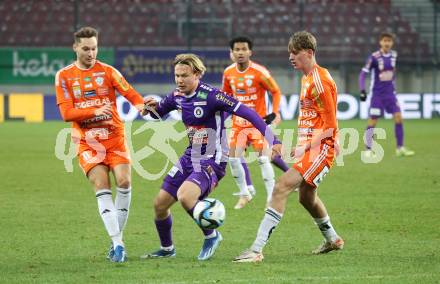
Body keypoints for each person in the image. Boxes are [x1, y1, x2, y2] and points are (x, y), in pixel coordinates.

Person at [139, 53, 281, 261]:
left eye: (184, 75)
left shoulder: (213, 96)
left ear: (196, 74)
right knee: (160, 205)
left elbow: (249, 113)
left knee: (186, 196)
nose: (179, 80)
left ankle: (212, 235)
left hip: (213, 158)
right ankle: (167, 249)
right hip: (191, 154)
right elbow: (158, 113)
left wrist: (273, 138)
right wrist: (149, 108)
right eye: (176, 75)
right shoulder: (177, 96)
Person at [233, 31, 344, 263]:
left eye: (295, 53)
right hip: (314, 147)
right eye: (289, 53)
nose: (291, 57)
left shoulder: (320, 81)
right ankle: (333, 239)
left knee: (281, 187)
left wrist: (305, 148)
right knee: (306, 197)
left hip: (321, 149)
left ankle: (256, 249)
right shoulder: (307, 78)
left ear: (309, 53)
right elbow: (320, 118)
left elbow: (331, 126)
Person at [55, 27, 145, 262]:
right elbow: (66, 113)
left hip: (115, 138)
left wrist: (144, 106)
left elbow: (132, 94)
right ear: (75, 47)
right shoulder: (64, 76)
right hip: (88, 142)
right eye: (86, 48)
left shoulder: (108, 71)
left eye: (94, 48)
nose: (91, 53)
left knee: (124, 181)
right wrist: (95, 110)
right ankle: (118, 245)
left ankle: (118, 239)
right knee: (102, 185)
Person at [223, 36, 289, 209]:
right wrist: (222, 117)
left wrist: (274, 112)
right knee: (234, 159)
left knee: (264, 160)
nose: (240, 53)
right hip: (238, 123)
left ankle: (270, 199)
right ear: (232, 53)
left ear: (250, 52)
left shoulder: (260, 72)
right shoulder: (228, 73)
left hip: (258, 123)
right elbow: (226, 96)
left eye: (244, 49)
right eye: (237, 49)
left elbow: (275, 91)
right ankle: (245, 193)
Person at [359, 32, 415, 157]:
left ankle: (400, 148)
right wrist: (362, 90)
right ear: (380, 42)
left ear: (392, 43)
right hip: (377, 95)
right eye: (384, 41)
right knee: (373, 121)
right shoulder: (374, 57)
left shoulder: (394, 55)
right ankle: (368, 150)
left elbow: (391, 73)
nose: (387, 43)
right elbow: (363, 73)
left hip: (390, 94)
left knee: (399, 117)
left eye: (389, 41)